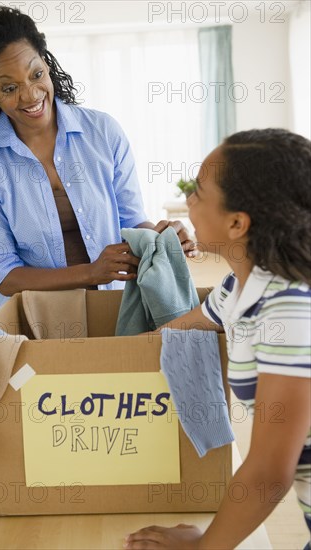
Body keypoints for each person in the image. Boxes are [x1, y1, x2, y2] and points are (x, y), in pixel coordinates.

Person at [125, 129, 311, 549]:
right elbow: (184, 326)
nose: (186, 199)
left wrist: (203, 547)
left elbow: (267, 472)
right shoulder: (240, 286)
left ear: (236, 223)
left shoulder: (291, 311)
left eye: (198, 190)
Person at [0, 6, 196, 311]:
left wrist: (165, 238)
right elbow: (2, 273)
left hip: (115, 306)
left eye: (36, 74)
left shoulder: (103, 132)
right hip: (35, 318)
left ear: (46, 62)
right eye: (9, 87)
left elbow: (131, 221)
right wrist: (91, 271)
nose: (30, 95)